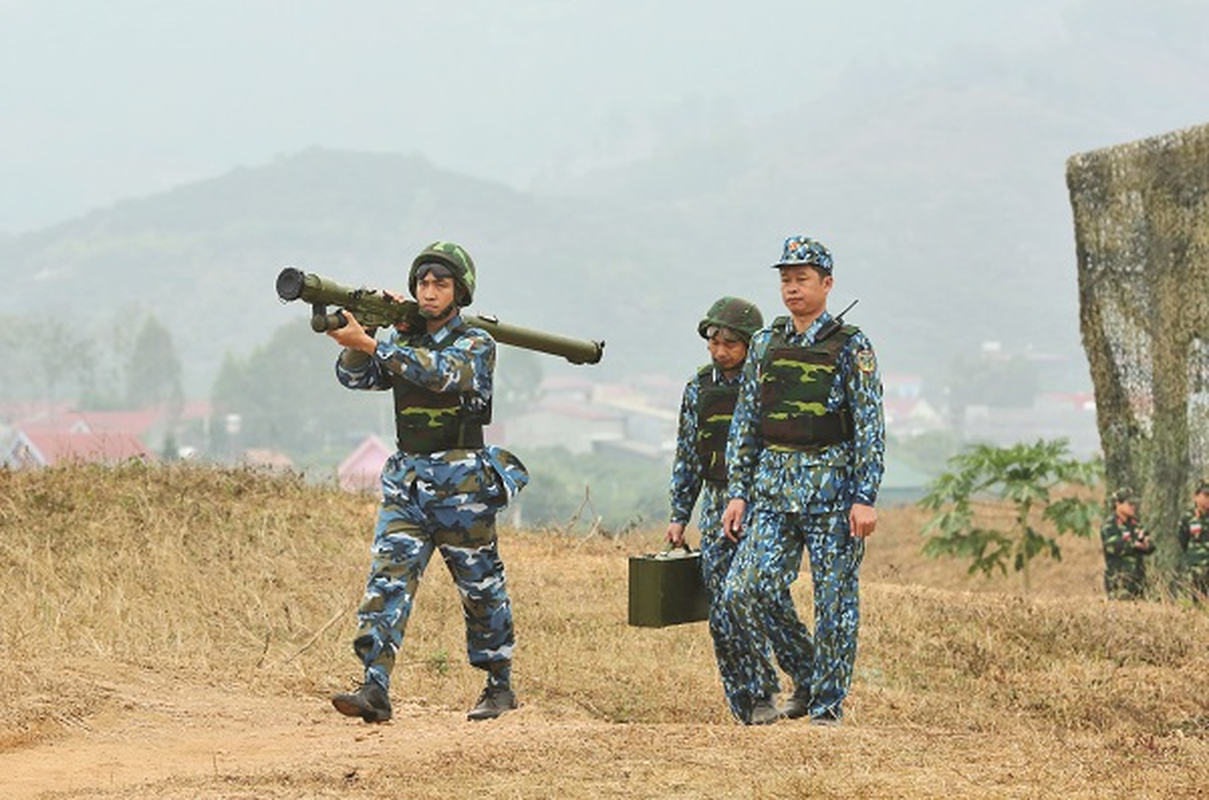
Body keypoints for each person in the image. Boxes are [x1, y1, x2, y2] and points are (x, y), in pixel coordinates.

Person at [326, 241, 529, 723]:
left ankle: (498, 683)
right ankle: (374, 685)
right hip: (408, 484)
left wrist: (377, 343)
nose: (429, 291)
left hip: (462, 488)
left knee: (480, 589)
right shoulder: (403, 341)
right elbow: (356, 377)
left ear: (460, 291)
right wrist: (365, 331)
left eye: (440, 283)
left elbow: (442, 374)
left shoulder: (476, 343)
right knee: (387, 581)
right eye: (422, 283)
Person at [718, 235, 884, 727]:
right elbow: (746, 421)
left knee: (835, 601)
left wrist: (864, 497)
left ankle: (827, 706)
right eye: (785, 280)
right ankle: (803, 676)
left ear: (826, 284)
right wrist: (738, 491)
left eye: (802, 279)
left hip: (833, 495)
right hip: (772, 492)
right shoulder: (767, 343)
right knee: (743, 590)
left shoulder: (851, 346)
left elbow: (870, 427)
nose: (792, 288)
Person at [666, 295, 797, 725]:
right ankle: (746, 705)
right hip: (716, 506)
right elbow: (688, 456)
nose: (720, 351)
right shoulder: (699, 388)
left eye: (730, 344)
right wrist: (678, 515)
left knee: (757, 598)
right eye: (714, 342)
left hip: (763, 505)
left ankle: (785, 684)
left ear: (749, 344)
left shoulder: (767, 386)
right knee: (721, 612)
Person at [1099, 487, 1155, 600]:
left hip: (1138, 580)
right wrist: (1134, 544)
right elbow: (1113, 546)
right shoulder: (1110, 525)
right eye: (1130, 504)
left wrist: (1145, 544)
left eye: (1134, 504)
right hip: (1119, 579)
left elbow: (1150, 546)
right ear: (1118, 504)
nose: (1133, 507)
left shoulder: (1135, 523)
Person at [1176, 478, 1209, 602]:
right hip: (1195, 569)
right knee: (1197, 604)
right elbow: (1182, 539)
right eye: (1206, 495)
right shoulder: (1188, 517)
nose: (1208, 499)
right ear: (1196, 496)